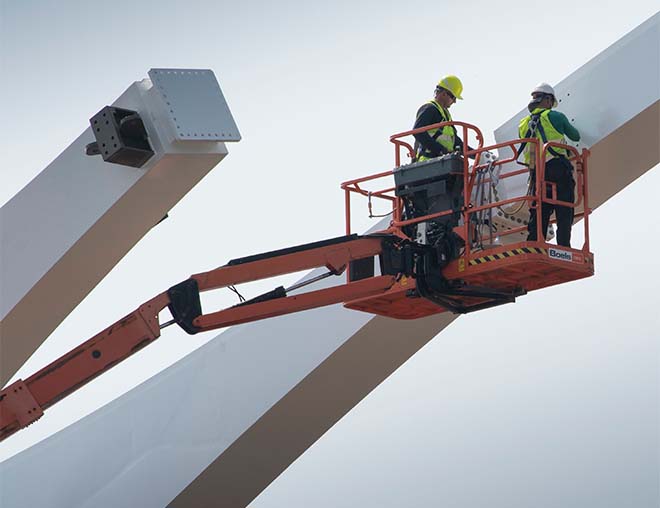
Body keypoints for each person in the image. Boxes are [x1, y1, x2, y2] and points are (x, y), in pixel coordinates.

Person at [519, 82, 580, 247]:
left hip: (537, 172)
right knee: (564, 206)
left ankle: (534, 243)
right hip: (557, 167)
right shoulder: (556, 117)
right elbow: (575, 136)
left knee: (540, 208)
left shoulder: (523, 124)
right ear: (547, 100)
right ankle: (563, 246)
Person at [413, 75, 468, 162]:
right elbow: (418, 131)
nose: (454, 101)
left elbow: (456, 143)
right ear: (444, 94)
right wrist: (440, 150)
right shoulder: (429, 109)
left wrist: (477, 153)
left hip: (443, 164)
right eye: (453, 97)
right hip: (428, 163)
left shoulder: (445, 116)